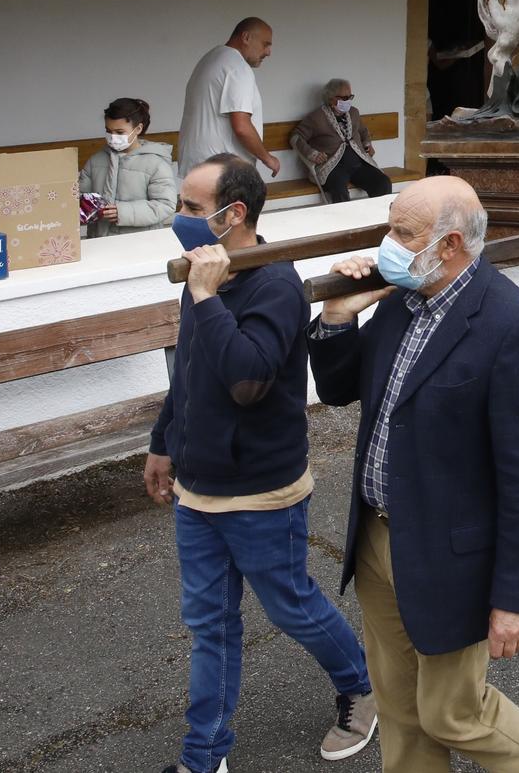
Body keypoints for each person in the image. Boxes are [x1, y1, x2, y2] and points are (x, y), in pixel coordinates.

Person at [311, 176, 519, 773]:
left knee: (449, 711)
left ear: (450, 244)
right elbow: (338, 389)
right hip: (379, 535)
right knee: (400, 709)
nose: (388, 244)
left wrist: (516, 599)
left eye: (403, 233)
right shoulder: (402, 298)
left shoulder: (511, 326)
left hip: (450, 552)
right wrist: (335, 317)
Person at [147, 155, 377, 773]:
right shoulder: (207, 277)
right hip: (198, 490)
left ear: (234, 215)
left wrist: (204, 299)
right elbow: (190, 372)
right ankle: (205, 758)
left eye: (193, 209)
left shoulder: (273, 284)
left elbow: (247, 379)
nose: (181, 219)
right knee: (210, 626)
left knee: (292, 605)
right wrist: (162, 441)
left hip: (261, 491)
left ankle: (360, 686)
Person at [180, 18, 280, 178]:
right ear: (246, 37)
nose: (268, 52)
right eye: (265, 44)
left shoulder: (210, 59)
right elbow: (241, 126)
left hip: (198, 167)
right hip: (225, 172)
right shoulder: (237, 67)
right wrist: (268, 158)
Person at [78, 96, 176, 237]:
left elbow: (165, 205)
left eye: (119, 132)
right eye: (108, 131)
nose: (112, 137)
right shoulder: (95, 161)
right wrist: (84, 207)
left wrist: (123, 212)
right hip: (100, 241)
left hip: (140, 243)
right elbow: (79, 198)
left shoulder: (156, 164)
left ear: (138, 129)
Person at [292, 79, 394, 204]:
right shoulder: (316, 118)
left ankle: (381, 218)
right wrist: (312, 154)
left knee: (382, 182)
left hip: (358, 164)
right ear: (330, 98)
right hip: (333, 167)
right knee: (339, 189)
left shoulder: (354, 113)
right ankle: (345, 221)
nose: (348, 101)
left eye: (350, 97)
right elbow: (296, 137)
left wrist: (367, 144)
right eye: (344, 98)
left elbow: (363, 131)